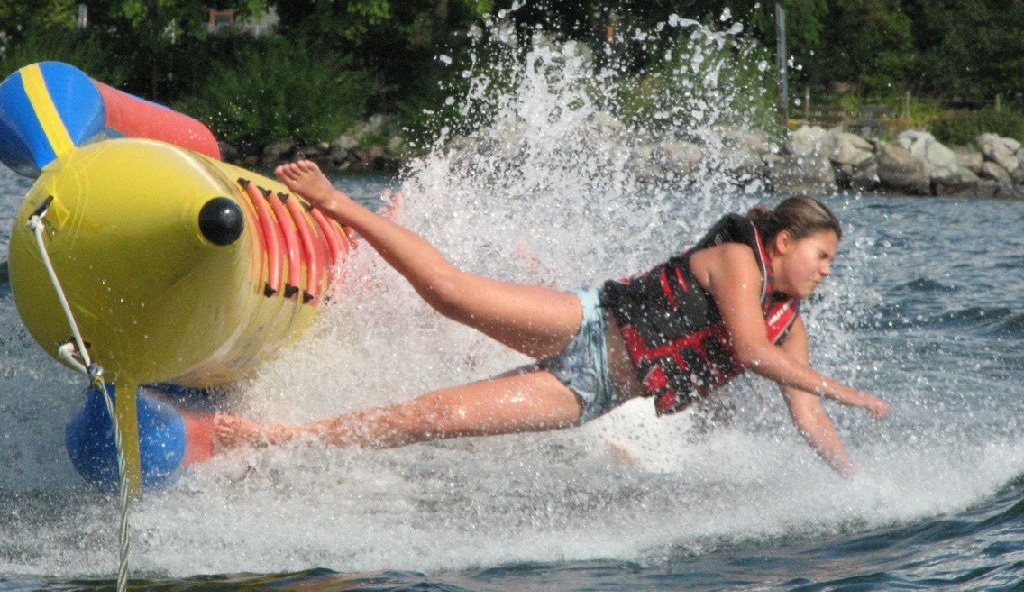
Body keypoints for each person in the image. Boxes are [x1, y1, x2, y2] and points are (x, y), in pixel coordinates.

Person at [214, 160, 889, 478]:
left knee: (432, 418)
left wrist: (855, 488)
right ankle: (337, 203)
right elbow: (750, 350)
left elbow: (807, 416)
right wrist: (846, 389)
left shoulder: (788, 325)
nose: (826, 270)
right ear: (783, 243)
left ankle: (279, 437)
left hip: (594, 391)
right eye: (821, 255)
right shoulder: (740, 259)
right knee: (448, 292)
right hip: (590, 323)